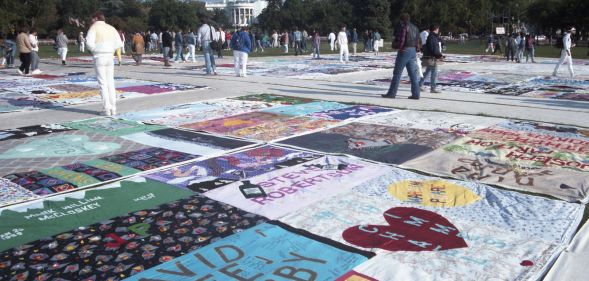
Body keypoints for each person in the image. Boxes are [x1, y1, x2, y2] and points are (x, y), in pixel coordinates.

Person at [86, 11, 123, 116]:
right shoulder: (111, 28)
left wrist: (95, 49)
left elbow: (88, 43)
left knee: (102, 83)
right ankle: (113, 108)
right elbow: (119, 43)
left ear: (96, 18)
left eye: (92, 19)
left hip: (99, 56)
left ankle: (106, 109)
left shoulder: (94, 27)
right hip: (110, 56)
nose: (91, 20)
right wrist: (109, 48)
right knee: (110, 82)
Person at [382, 13, 421, 100]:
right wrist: (416, 49)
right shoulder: (415, 28)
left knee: (397, 73)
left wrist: (399, 47)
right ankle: (416, 94)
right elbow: (418, 41)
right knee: (413, 74)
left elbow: (402, 40)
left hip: (404, 51)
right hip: (413, 51)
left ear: (402, 20)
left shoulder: (404, 27)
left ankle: (392, 93)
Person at [419, 24, 444, 94]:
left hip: (431, 57)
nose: (438, 30)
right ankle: (433, 88)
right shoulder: (432, 37)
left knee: (427, 72)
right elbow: (434, 49)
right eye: (438, 29)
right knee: (434, 73)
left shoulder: (432, 36)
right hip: (432, 58)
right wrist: (439, 56)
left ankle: (419, 85)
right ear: (436, 29)